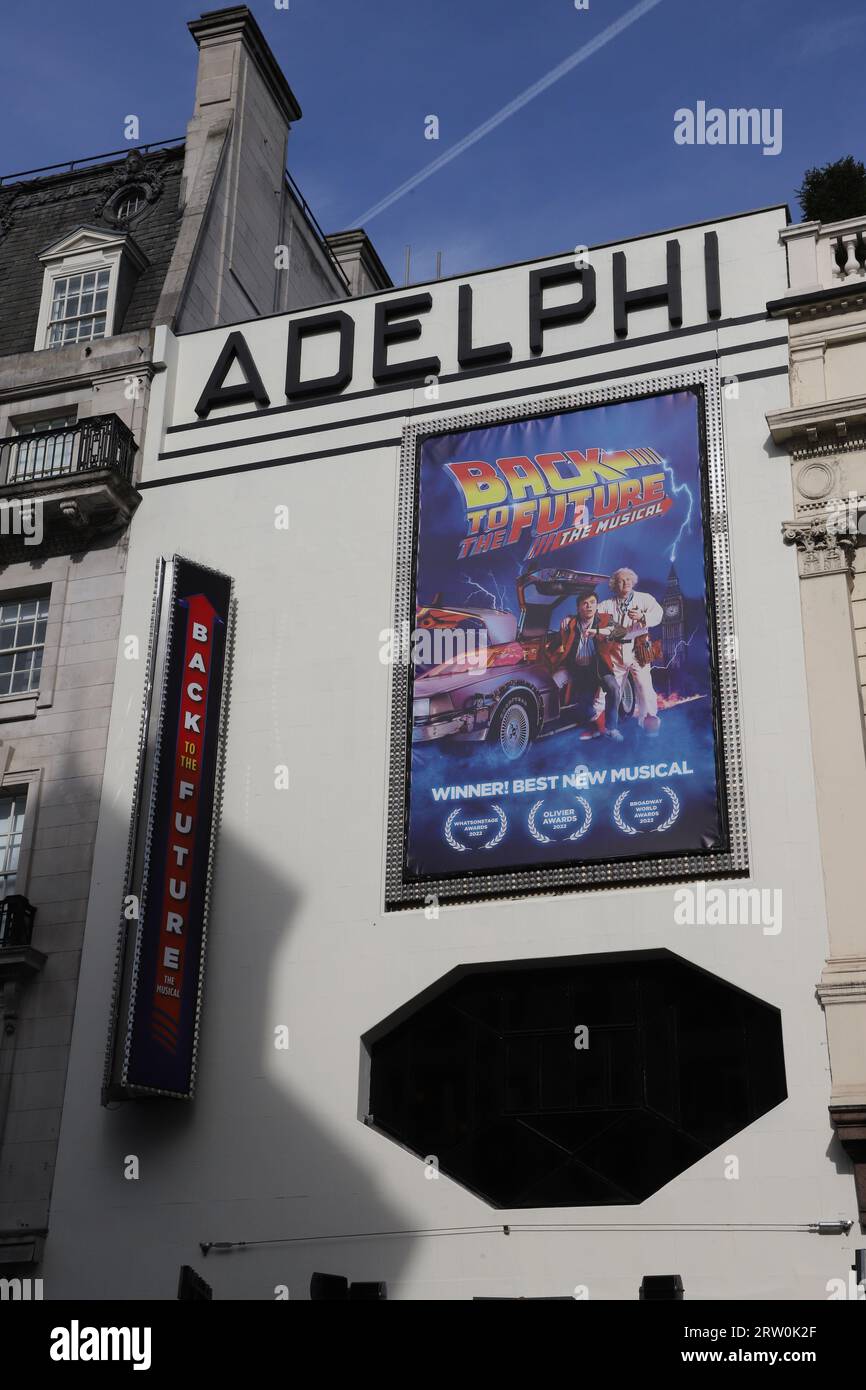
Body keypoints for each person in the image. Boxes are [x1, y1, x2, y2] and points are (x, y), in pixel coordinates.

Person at [596, 567, 664, 733]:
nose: (625, 582)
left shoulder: (644, 599)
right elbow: (591, 615)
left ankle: (650, 720)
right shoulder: (607, 604)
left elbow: (659, 614)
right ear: (614, 585)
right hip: (616, 650)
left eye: (628, 579)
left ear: (633, 581)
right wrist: (572, 619)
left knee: (644, 685)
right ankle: (601, 725)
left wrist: (642, 617)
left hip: (638, 648)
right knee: (608, 689)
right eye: (621, 580)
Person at [555, 589, 621, 739]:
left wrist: (598, 631)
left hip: (599, 665)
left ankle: (612, 728)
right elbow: (558, 643)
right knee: (584, 705)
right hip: (579, 669)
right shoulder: (570, 622)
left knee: (614, 689)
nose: (589, 606)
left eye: (592, 603)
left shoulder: (605, 618)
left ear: (597, 605)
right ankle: (595, 726)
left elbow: (621, 631)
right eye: (585, 604)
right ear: (578, 608)